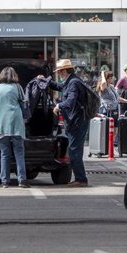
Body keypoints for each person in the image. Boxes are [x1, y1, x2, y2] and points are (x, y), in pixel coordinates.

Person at [48, 59, 90, 187]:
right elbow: (59, 87)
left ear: (65, 70)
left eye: (60, 72)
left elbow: (71, 102)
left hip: (77, 122)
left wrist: (58, 106)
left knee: (74, 151)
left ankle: (81, 179)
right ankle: (80, 178)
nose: (59, 74)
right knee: (74, 150)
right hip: (74, 122)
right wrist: (46, 81)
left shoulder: (74, 83)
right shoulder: (70, 81)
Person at [0, 66, 29, 188]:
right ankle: (22, 180)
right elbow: (24, 103)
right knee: (19, 153)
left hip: (1, 125)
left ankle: (4, 181)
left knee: (4, 154)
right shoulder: (17, 87)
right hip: (16, 124)